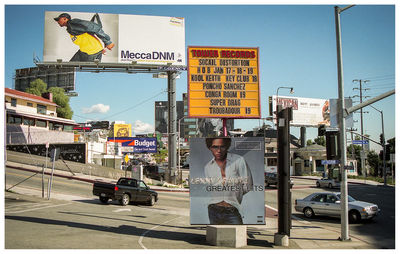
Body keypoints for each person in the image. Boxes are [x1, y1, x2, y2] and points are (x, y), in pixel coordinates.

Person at [204, 137, 253, 224]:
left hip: (232, 209)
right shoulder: (208, 167)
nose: (219, 150)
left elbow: (248, 185)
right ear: (210, 148)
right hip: (213, 209)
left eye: (222, 147)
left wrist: (234, 194)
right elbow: (211, 187)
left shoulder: (238, 160)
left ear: (227, 147)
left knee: (237, 234)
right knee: (216, 235)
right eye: (215, 147)